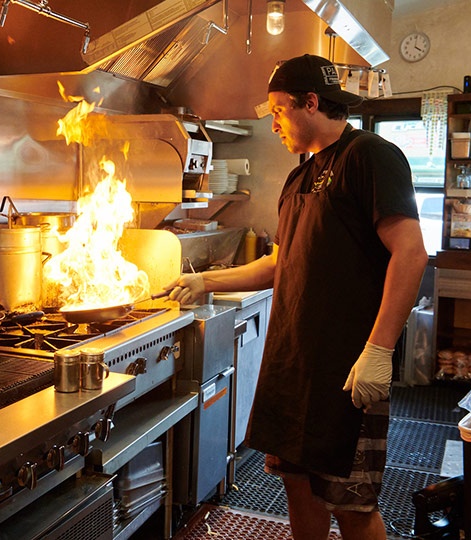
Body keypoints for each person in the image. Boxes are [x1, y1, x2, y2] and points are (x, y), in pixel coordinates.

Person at [165, 54, 427, 540]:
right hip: (292, 365)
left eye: (280, 111)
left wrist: (379, 351)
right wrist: (205, 282)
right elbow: (279, 263)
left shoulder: (370, 156)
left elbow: (410, 254)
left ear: (311, 102)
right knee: (297, 488)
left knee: (352, 502)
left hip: (348, 366)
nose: (275, 126)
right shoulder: (299, 177)